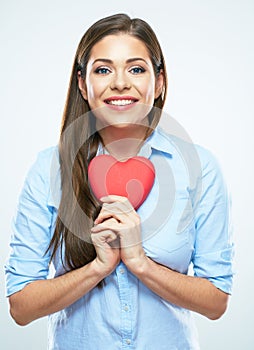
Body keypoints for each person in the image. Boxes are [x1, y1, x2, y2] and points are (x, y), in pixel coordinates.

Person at [5, 13, 234, 350]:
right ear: (83, 85)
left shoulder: (200, 168)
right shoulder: (48, 169)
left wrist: (140, 262)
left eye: (136, 69)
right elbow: (20, 307)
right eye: (103, 69)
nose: (120, 83)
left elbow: (216, 302)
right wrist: (98, 267)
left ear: (159, 83)